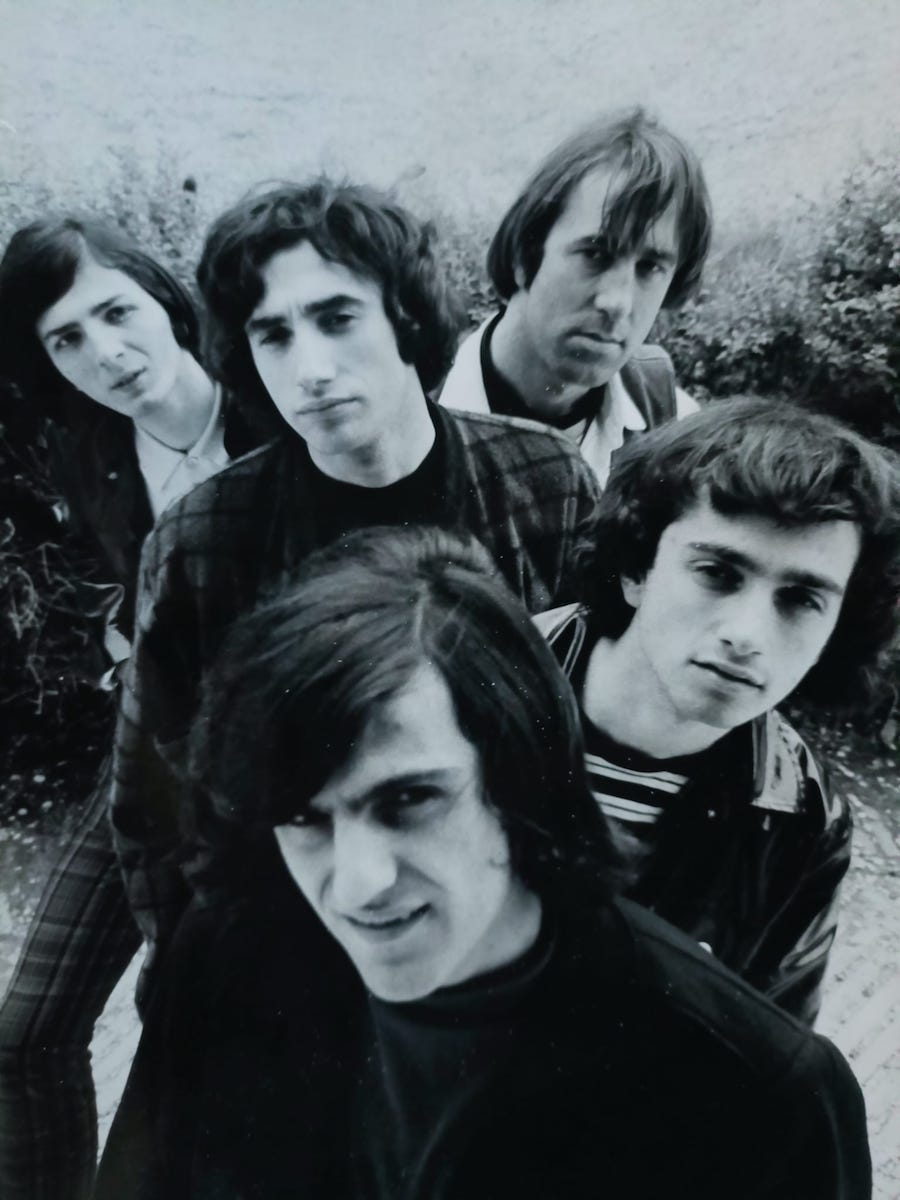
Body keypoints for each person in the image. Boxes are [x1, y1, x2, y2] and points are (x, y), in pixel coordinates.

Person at [95, 526, 871, 1200]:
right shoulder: (227, 956)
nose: (359, 883)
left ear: (518, 775)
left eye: (409, 800)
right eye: (304, 817)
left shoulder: (756, 1096)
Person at [109, 178, 601, 1002]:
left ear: (406, 320)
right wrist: (196, 982)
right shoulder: (205, 539)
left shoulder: (545, 477)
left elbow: (587, 733)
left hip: (506, 935)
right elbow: (155, 802)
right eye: (273, 336)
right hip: (302, 940)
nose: (310, 370)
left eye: (337, 319)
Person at [0, 216, 256, 1200]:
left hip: (281, 782)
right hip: (152, 756)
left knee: (205, 1045)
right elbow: (91, 592)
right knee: (25, 1038)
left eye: (116, 312)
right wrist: (119, 647)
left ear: (163, 296)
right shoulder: (92, 448)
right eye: (66, 339)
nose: (104, 354)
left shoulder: (274, 411)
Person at [535, 397, 900, 1025]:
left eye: (801, 599)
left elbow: (758, 1050)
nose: (747, 634)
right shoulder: (461, 682)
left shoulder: (802, 822)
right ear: (637, 570)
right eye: (717, 572)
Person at [440, 109, 712, 485]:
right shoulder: (416, 421)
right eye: (595, 254)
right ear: (524, 255)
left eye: (649, 267)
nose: (617, 302)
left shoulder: (673, 426)